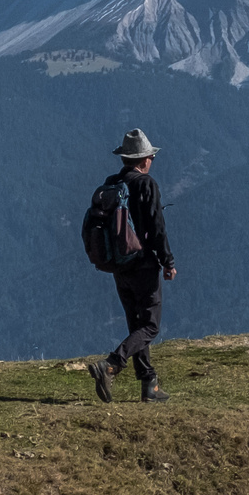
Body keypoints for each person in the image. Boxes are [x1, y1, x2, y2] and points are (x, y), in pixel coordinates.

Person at [89, 129, 176, 403]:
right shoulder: (146, 184)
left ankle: (149, 383)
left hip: (119, 266)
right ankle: (112, 364)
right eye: (150, 156)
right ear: (144, 159)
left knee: (136, 323)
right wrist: (167, 261)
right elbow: (156, 227)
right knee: (150, 326)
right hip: (143, 265)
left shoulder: (111, 183)